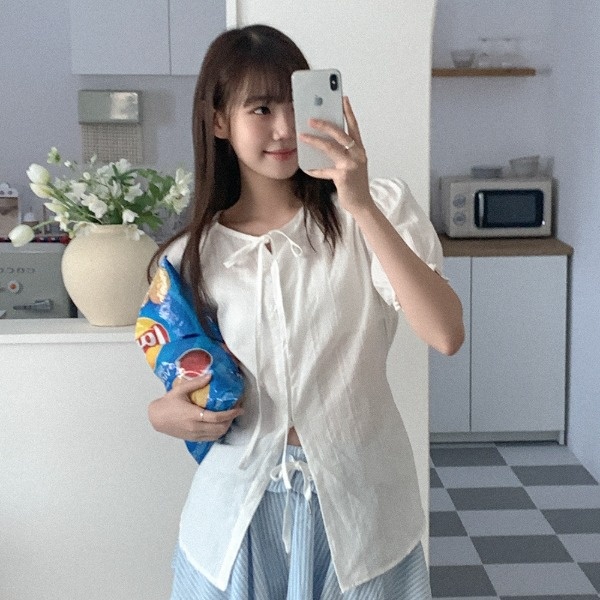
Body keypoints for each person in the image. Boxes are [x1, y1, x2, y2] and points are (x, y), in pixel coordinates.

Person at [147, 23, 464, 600]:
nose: (286, 127)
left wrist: (360, 203)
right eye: (262, 108)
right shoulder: (190, 256)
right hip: (235, 521)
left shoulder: (375, 209)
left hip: (363, 516)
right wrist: (162, 415)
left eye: (297, 103)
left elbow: (445, 333)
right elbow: (185, 372)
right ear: (219, 121)